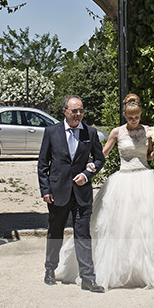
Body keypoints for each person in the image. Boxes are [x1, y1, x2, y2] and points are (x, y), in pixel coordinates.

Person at [54, 93, 154, 290]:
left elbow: (148, 157)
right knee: (117, 226)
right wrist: (86, 169)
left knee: (150, 226)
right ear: (125, 115)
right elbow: (102, 154)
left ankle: (150, 271)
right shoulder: (117, 132)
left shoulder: (148, 131)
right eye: (131, 118)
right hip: (122, 180)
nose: (134, 121)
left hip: (147, 179)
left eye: (137, 117)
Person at [37, 95, 106, 293]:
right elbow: (43, 164)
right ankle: (50, 269)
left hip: (82, 193)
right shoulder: (51, 132)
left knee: (83, 235)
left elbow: (99, 159)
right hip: (58, 192)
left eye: (81, 111)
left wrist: (87, 173)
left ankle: (88, 279)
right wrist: (45, 190)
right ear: (65, 111)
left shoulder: (90, 132)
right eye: (74, 111)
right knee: (55, 233)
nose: (78, 115)